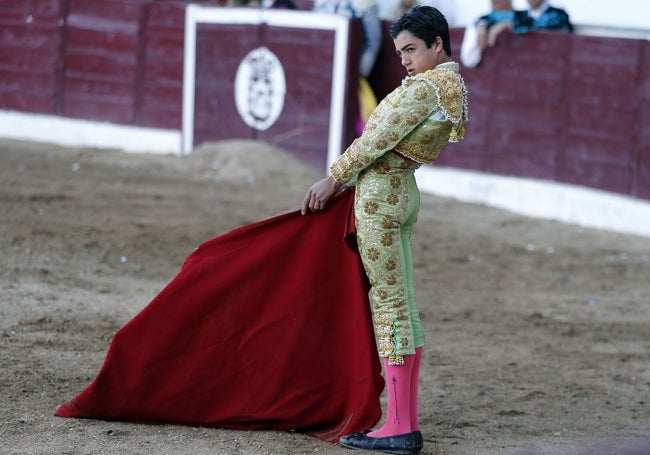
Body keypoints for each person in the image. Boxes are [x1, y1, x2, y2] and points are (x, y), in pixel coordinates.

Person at [301, 5, 468, 454]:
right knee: (403, 307)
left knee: (392, 309)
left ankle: (397, 426)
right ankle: (403, 421)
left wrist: (333, 177)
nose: (405, 60)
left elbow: (375, 141)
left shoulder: (426, 89)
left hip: (381, 197)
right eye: (400, 52)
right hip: (401, 191)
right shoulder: (446, 84)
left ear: (438, 44)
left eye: (412, 49)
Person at [461, 0, 516, 67]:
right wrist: (481, 27)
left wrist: (506, 24)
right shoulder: (483, 20)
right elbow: (469, 59)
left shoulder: (521, 16)